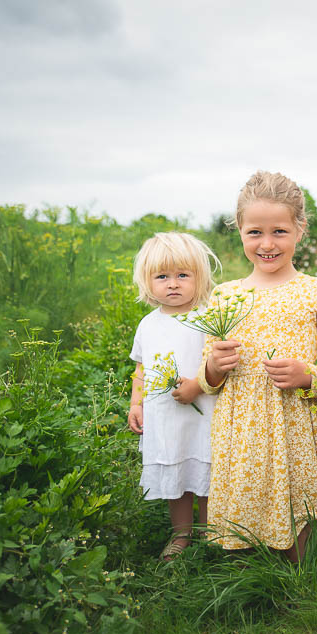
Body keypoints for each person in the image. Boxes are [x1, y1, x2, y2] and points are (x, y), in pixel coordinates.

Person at [198, 170, 317, 562]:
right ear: (240, 232)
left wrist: (307, 375)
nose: (267, 244)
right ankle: (250, 575)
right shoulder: (225, 295)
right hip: (243, 428)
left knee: (303, 541)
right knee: (247, 527)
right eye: (255, 233)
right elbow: (208, 381)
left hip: (297, 427)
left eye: (279, 231)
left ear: (300, 229)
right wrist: (214, 366)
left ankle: (306, 576)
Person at [128, 231, 220, 561]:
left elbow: (217, 363)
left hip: (204, 410)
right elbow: (141, 369)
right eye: (162, 276)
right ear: (147, 281)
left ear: (199, 277)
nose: (173, 284)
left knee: (205, 469)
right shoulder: (148, 325)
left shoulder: (209, 317)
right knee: (176, 473)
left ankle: (212, 533)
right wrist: (136, 403)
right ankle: (181, 535)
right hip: (166, 416)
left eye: (183, 275)